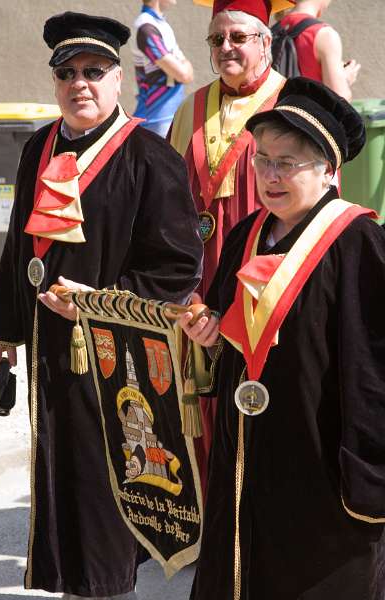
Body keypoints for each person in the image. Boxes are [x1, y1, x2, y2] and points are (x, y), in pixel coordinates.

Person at [0, 11, 203, 599]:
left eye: (94, 72)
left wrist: (99, 303)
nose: (79, 84)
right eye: (67, 74)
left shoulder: (150, 157)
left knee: (107, 481)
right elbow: (18, 248)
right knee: (61, 472)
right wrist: (1, 329)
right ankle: (75, 586)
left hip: (115, 354)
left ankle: (108, 591)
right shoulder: (39, 147)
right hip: (49, 345)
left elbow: (178, 265)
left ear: (117, 81)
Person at [179, 77, 385, 599]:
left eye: (287, 162)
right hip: (245, 453)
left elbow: (372, 367)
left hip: (318, 461)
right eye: (262, 159)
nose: (269, 175)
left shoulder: (357, 240)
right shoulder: (246, 233)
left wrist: (368, 472)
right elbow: (229, 327)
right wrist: (208, 334)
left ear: (328, 170)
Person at [170, 0, 293, 497]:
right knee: (203, 393)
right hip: (201, 276)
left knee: (262, 390)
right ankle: (212, 512)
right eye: (217, 39)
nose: (226, 48)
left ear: (265, 42)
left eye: (239, 37)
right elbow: (170, 201)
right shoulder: (190, 108)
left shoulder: (293, 102)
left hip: (265, 271)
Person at [132, 0, 193, 137]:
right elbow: (183, 74)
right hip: (155, 118)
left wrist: (183, 67)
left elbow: (187, 73)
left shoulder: (162, 25)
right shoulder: (146, 27)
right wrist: (182, 65)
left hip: (167, 115)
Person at [278, 0, 360, 100]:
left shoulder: (272, 30)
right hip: (305, 113)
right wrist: (345, 80)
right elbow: (339, 101)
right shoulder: (325, 35)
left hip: (273, 113)